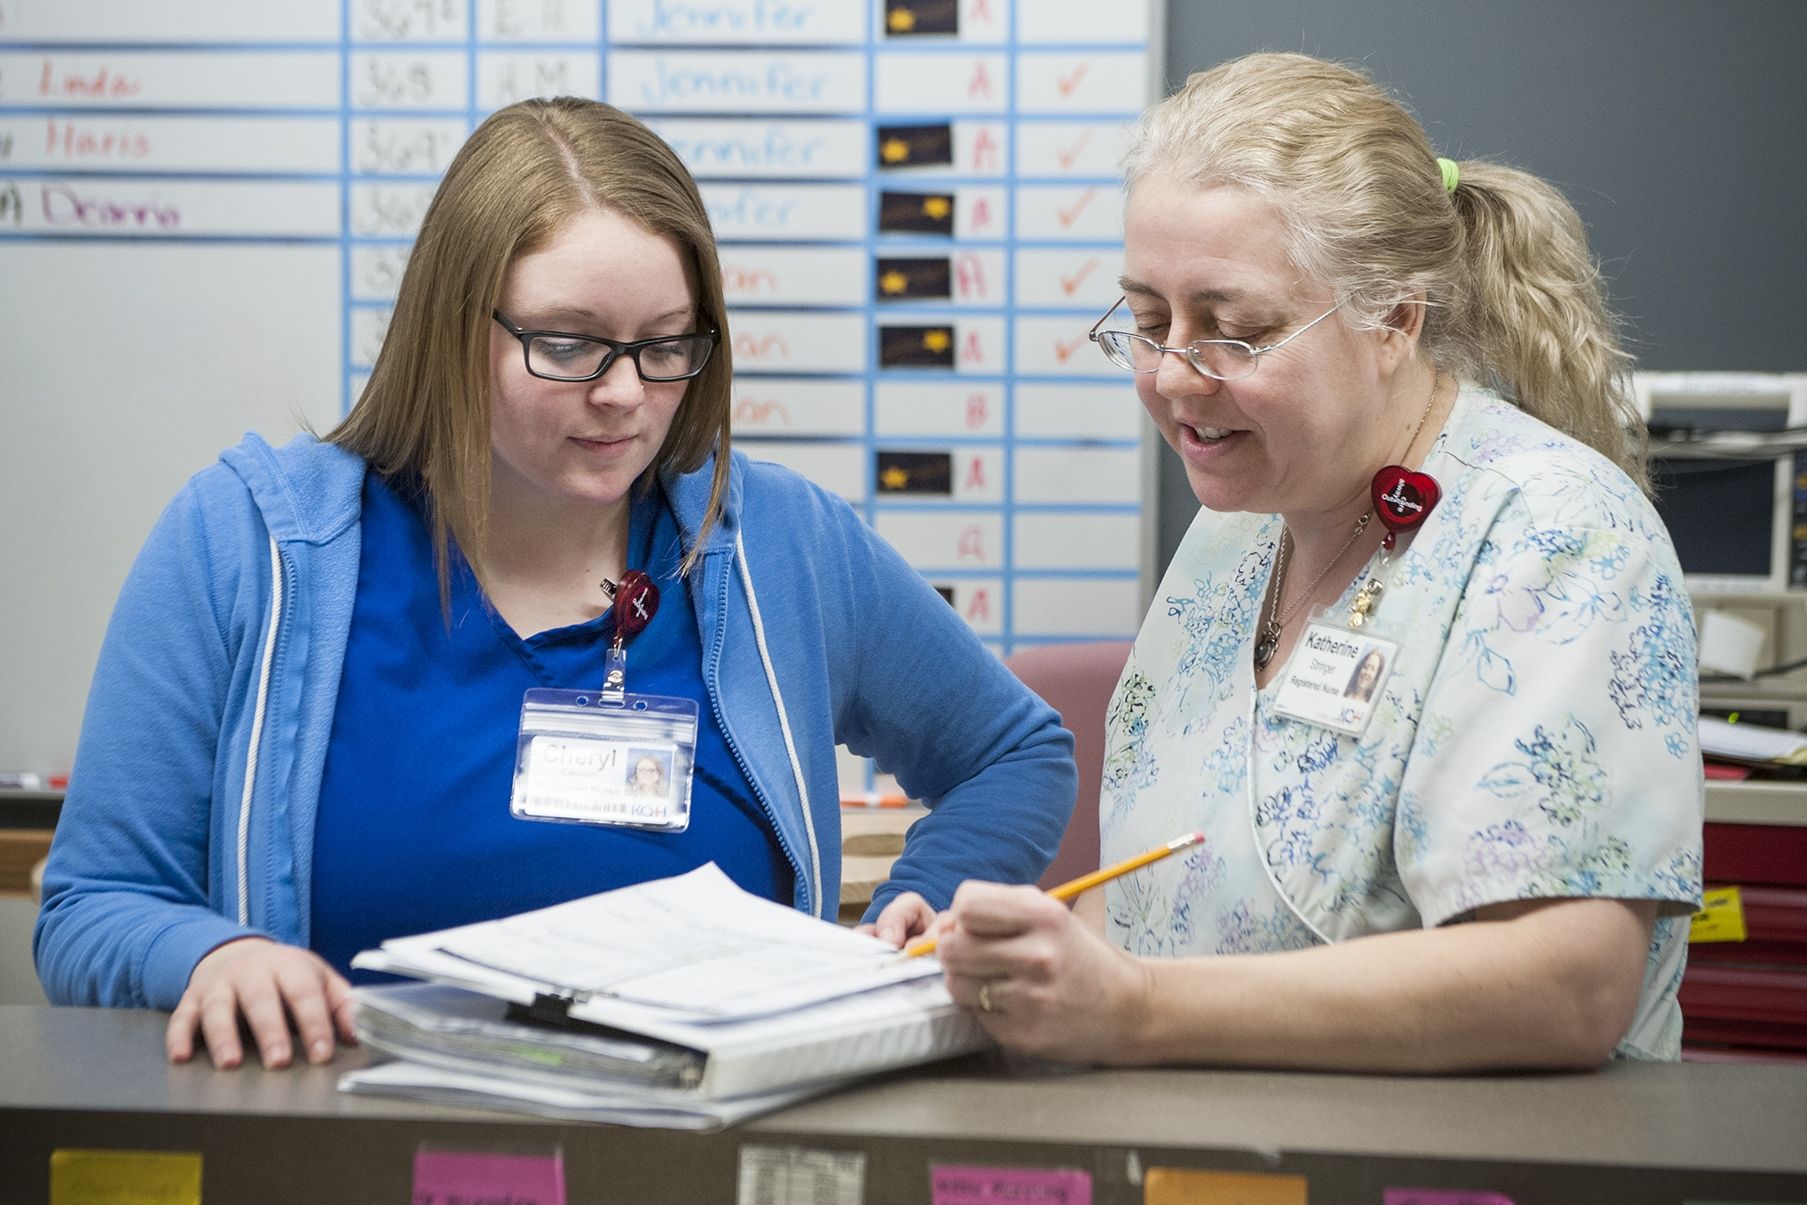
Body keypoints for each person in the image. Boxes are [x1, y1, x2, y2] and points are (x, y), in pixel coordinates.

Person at [34, 97, 1076, 1070]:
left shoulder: (775, 542)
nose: (624, 393)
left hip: (696, 1152)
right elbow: (95, 904)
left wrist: (921, 904)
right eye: (567, 343)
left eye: (666, 346)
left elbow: (1015, 753)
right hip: (351, 1138)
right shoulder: (249, 542)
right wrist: (210, 957)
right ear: (452, 324)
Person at [930, 53, 1702, 1072]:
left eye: (1233, 329)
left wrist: (1139, 1007)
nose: (1170, 376)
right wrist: (1016, 975)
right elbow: (1161, 907)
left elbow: (1565, 984)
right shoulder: (1238, 530)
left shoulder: (1553, 532)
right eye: (1149, 322)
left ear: (1394, 318)